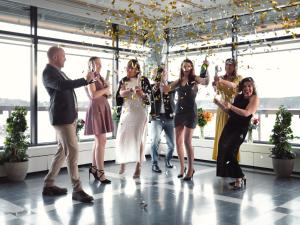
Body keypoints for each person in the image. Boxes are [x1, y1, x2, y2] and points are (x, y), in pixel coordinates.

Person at [42, 46, 94, 203]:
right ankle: (77, 189)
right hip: (61, 118)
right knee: (73, 150)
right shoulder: (48, 72)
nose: (66, 58)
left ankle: (49, 185)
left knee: (62, 151)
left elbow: (66, 89)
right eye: (63, 56)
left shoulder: (58, 72)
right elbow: (62, 86)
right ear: (56, 57)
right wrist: (84, 80)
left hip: (67, 118)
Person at [164, 58, 209, 181]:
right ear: (182, 67)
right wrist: (163, 77)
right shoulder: (179, 81)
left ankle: (190, 169)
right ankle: (182, 167)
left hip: (190, 112)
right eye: (184, 66)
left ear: (191, 67)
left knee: (187, 141)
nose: (186, 68)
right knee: (178, 141)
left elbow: (205, 82)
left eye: (189, 66)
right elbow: (166, 89)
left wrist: (206, 67)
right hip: (179, 112)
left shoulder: (195, 79)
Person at [214, 77, 259, 190]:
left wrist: (231, 106)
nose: (247, 88)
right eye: (244, 86)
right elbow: (230, 111)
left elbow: (246, 113)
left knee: (230, 152)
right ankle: (237, 177)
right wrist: (219, 104)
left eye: (249, 86)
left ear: (253, 87)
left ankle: (239, 177)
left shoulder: (254, 98)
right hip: (230, 125)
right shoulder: (239, 97)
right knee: (223, 149)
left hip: (240, 129)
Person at [115, 59, 151, 178]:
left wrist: (142, 94)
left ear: (137, 69)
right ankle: (122, 162)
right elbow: (119, 95)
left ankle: (138, 166)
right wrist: (127, 91)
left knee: (139, 139)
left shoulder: (143, 80)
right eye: (127, 67)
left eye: (131, 68)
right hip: (127, 111)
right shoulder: (123, 80)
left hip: (140, 112)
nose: (128, 69)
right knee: (122, 137)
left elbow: (148, 100)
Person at [84, 56, 113, 184]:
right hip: (96, 109)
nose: (100, 66)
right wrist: (106, 89)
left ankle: (94, 168)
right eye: (97, 64)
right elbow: (93, 95)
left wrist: (107, 89)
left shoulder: (99, 76)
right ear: (91, 64)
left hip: (102, 107)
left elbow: (108, 94)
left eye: (100, 64)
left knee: (99, 141)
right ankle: (101, 173)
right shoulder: (89, 76)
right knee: (101, 140)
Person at [212, 58, 243, 161]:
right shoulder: (221, 77)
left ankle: (232, 160)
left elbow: (236, 86)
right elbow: (217, 91)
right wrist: (215, 84)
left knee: (232, 136)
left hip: (234, 109)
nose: (228, 67)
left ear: (234, 67)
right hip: (222, 108)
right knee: (222, 134)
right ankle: (222, 160)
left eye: (231, 65)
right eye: (227, 65)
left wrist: (221, 81)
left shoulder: (239, 78)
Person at [149, 65, 175, 173]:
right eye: (161, 73)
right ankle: (154, 164)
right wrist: (157, 85)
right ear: (156, 75)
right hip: (156, 118)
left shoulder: (171, 85)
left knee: (171, 144)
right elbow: (150, 95)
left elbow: (172, 95)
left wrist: (166, 89)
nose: (164, 74)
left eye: (165, 72)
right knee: (155, 142)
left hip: (169, 117)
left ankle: (168, 160)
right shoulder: (152, 87)